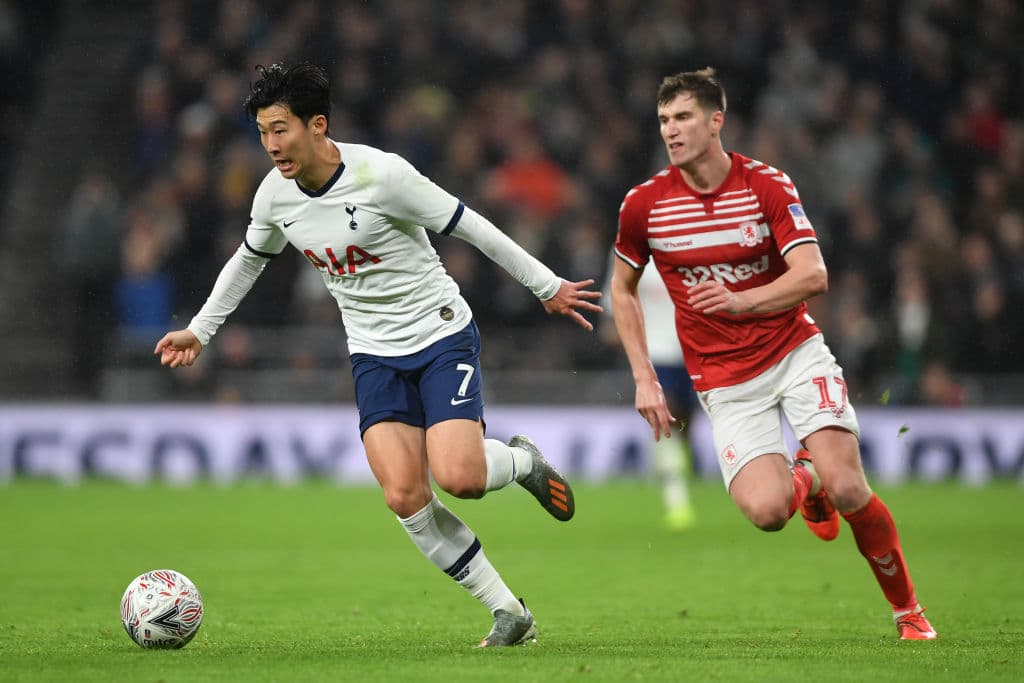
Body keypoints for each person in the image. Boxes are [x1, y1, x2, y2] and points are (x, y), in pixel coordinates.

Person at [154, 62, 602, 647]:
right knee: (404, 496)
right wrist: (200, 330)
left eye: (281, 129)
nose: (271, 145)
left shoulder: (382, 175)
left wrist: (545, 285)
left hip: (440, 334)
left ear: (318, 125)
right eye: (263, 132)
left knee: (461, 478)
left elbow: (470, 226)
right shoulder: (273, 196)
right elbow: (248, 259)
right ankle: (508, 612)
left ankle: (521, 462)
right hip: (372, 353)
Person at [609, 68, 936, 641]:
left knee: (850, 487)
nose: (670, 130)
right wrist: (644, 377)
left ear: (716, 121)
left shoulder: (766, 186)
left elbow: (814, 275)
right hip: (724, 380)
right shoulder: (645, 205)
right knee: (766, 512)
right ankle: (806, 481)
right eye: (663, 120)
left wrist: (743, 301)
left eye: (683, 117)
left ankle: (908, 611)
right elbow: (622, 288)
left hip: (793, 353)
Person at [602, 255, 698, 531]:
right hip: (652, 352)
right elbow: (616, 293)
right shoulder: (630, 248)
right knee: (666, 418)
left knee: (686, 424)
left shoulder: (688, 244)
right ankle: (676, 498)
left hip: (691, 349)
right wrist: (614, 325)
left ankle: (681, 471)